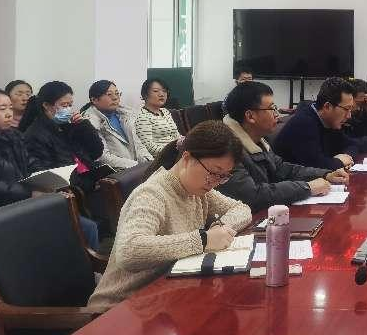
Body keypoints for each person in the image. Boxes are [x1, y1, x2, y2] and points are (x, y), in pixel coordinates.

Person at [87, 120, 252, 310]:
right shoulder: (152, 193)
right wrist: (204, 240)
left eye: (223, 176)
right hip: (120, 307)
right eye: (214, 172)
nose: (214, 182)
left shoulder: (198, 190)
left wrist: (220, 229)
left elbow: (242, 209)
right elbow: (129, 251)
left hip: (166, 294)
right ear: (187, 158)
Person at [0, 88, 100, 249]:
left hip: (26, 202)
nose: (8, 114)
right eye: (2, 109)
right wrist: (31, 193)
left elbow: (31, 163)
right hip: (1, 210)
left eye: (10, 108)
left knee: (86, 227)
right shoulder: (34, 133)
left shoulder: (14, 136)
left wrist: (49, 184)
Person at [216, 81, 348, 212]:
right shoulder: (225, 148)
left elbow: (282, 169)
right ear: (250, 116)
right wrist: (307, 187)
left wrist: (326, 174)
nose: (277, 114)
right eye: (272, 108)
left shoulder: (259, 140)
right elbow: (252, 196)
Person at [272, 77, 360, 171]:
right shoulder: (303, 124)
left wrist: (346, 157)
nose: (349, 116)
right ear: (327, 107)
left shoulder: (331, 122)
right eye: (346, 109)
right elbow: (315, 167)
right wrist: (339, 162)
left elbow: (352, 145)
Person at [21, 81, 104, 173]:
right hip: (66, 180)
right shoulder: (35, 134)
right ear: (46, 105)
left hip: (87, 175)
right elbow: (44, 172)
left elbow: (96, 152)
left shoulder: (69, 126)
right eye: (64, 105)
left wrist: (84, 126)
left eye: (70, 105)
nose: (68, 109)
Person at [83, 80, 152, 171]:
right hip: (115, 173)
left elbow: (138, 145)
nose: (115, 98)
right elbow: (103, 157)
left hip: (136, 169)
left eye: (117, 93)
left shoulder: (125, 115)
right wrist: (138, 166)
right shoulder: (90, 123)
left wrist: (150, 163)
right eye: (109, 94)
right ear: (94, 100)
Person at [135, 78, 180, 157]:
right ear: (145, 94)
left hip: (177, 153)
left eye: (164, 91)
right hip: (161, 158)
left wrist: (183, 144)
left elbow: (176, 135)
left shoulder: (165, 112)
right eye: (156, 91)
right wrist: (174, 151)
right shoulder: (142, 116)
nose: (161, 94)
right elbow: (149, 148)